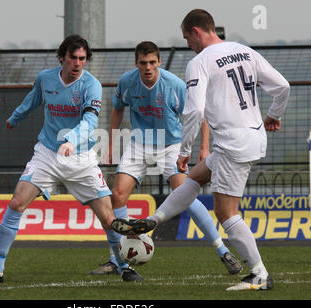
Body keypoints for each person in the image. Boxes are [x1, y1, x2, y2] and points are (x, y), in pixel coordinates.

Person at [113, 9, 290, 291]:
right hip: (250, 137)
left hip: (233, 143)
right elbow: (282, 86)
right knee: (194, 179)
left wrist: (184, 150)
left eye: (186, 38)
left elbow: (194, 109)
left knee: (226, 212)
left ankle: (259, 274)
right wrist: (273, 115)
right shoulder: (245, 51)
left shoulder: (200, 61)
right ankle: (152, 221)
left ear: (196, 31)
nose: (187, 44)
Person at [0, 35, 154, 285]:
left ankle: (124, 267)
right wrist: (15, 118)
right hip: (47, 154)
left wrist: (71, 140)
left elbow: (90, 120)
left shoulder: (91, 85)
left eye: (82, 58)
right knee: (17, 202)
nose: (78, 63)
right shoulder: (45, 79)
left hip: (81, 158)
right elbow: (33, 101)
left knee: (108, 219)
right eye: (73, 57)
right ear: (63, 57)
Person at [89, 41, 242, 276]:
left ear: (159, 62)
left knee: (186, 195)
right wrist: (111, 143)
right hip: (139, 144)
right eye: (143, 63)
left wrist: (203, 147)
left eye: (152, 62)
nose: (148, 67)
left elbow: (198, 114)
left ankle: (222, 250)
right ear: (136, 63)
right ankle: (118, 259)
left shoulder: (174, 85)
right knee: (118, 195)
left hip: (171, 145)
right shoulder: (127, 82)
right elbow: (118, 108)